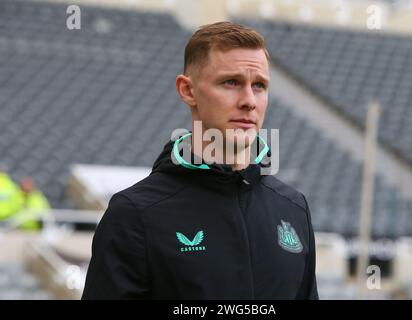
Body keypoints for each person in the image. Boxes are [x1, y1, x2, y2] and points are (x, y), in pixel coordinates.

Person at [82, 21, 318, 300]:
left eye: (259, 86)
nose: (249, 101)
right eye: (231, 82)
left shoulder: (292, 208)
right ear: (188, 90)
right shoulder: (135, 214)